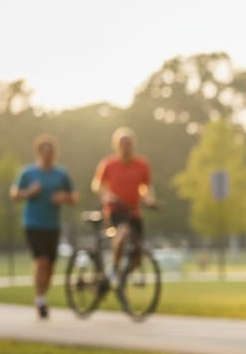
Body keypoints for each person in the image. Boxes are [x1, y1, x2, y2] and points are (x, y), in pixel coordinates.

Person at [9, 134, 79, 318]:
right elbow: (14, 194)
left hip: (52, 225)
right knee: (42, 261)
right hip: (32, 223)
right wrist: (28, 192)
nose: (47, 154)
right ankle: (40, 300)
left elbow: (74, 197)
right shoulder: (28, 173)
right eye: (44, 151)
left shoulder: (61, 174)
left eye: (51, 151)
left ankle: (42, 295)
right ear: (38, 152)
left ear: (54, 153)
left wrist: (63, 197)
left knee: (50, 266)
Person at [91, 127, 157, 279]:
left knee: (139, 252)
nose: (126, 147)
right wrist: (106, 195)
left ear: (133, 145)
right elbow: (96, 185)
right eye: (122, 143)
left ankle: (122, 279)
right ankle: (114, 267)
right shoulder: (109, 164)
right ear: (116, 145)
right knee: (123, 233)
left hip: (133, 212)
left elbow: (146, 187)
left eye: (128, 143)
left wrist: (148, 199)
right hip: (115, 211)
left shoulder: (142, 165)